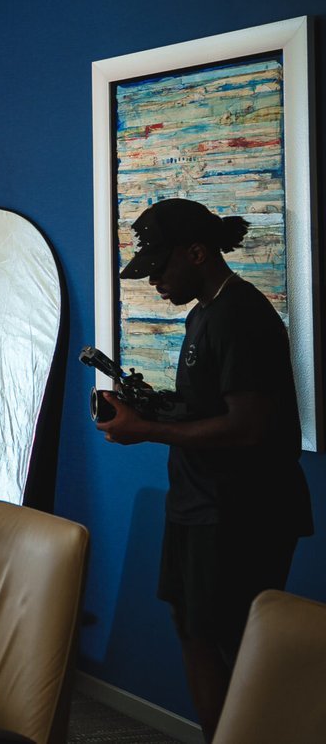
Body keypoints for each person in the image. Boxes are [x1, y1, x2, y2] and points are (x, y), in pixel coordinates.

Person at [97, 197, 312, 741]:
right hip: (198, 504)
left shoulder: (241, 316)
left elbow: (247, 428)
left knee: (238, 646)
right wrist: (147, 410)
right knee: (194, 631)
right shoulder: (203, 315)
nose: (154, 282)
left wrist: (146, 430)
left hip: (241, 514)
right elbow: (209, 408)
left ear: (197, 253)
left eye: (160, 267)